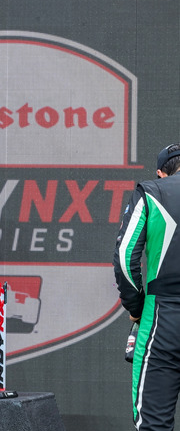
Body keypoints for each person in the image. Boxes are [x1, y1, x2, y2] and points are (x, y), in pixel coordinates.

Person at [114, 143, 180, 430]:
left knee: (153, 424)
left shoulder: (152, 191)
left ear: (161, 173)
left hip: (163, 316)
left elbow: (125, 257)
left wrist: (136, 307)